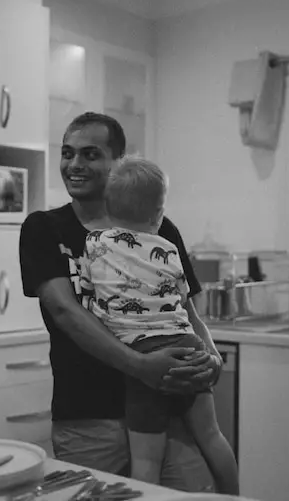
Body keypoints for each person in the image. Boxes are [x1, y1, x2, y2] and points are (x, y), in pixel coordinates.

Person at [19, 112, 221, 490]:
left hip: (168, 408)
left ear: (117, 164)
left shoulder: (158, 227)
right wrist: (140, 365)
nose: (74, 164)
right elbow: (65, 311)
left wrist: (212, 355)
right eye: (67, 153)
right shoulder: (44, 228)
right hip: (90, 418)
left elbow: (186, 310)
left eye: (90, 154)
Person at [78, 155, 239, 493]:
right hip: (187, 347)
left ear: (108, 210)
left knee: (147, 461)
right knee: (212, 436)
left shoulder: (95, 243)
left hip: (145, 359)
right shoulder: (168, 247)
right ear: (158, 214)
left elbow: (86, 290)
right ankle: (234, 496)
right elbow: (182, 299)